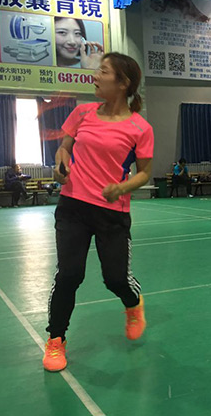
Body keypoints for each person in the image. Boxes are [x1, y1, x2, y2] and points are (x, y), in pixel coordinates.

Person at [43, 52, 153, 372]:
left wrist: (121, 187)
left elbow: (145, 173)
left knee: (116, 279)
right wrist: (60, 163)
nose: (95, 76)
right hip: (73, 206)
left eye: (103, 71)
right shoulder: (82, 113)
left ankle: (133, 305)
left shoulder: (140, 128)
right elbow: (64, 148)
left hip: (111, 212)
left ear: (123, 83)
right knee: (69, 275)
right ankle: (56, 339)